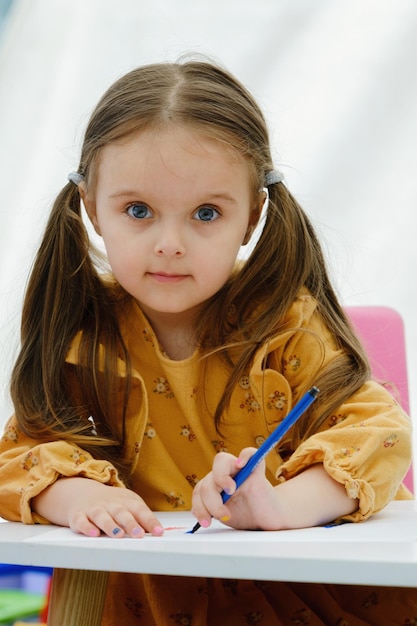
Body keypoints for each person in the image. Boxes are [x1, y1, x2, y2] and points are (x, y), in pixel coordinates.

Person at [0, 58, 415, 625]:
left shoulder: (285, 321)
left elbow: (381, 434)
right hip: (162, 605)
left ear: (252, 218)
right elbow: (20, 455)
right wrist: (81, 498)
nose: (170, 244)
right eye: (138, 210)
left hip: (328, 600)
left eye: (206, 213)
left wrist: (280, 506)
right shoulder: (85, 331)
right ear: (93, 208)